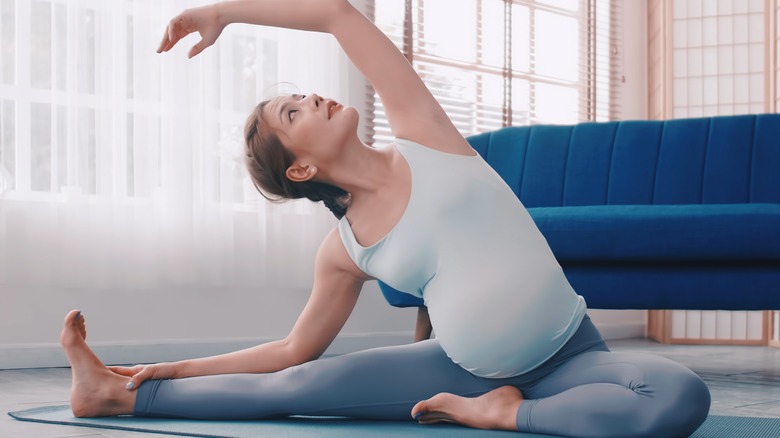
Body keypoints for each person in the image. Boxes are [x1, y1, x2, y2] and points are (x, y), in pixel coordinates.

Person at [59, 1, 711, 436]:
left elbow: (337, 14)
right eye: (294, 114)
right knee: (305, 386)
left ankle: (509, 414)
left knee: (681, 398)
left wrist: (222, 11)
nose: (310, 97)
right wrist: (173, 369)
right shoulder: (343, 250)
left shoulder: (424, 135)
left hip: (574, 358)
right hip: (456, 368)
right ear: (301, 170)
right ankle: (114, 396)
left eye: (297, 96)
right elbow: (292, 352)